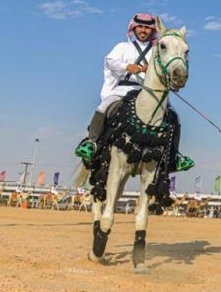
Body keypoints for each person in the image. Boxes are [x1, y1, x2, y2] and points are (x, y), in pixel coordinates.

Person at [74, 12, 193, 172]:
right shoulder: (122, 47)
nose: (143, 30)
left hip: (149, 91)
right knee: (104, 106)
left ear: (152, 30)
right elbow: (110, 61)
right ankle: (92, 142)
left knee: (174, 115)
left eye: (147, 28)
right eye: (140, 27)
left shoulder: (158, 49)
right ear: (134, 28)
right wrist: (127, 66)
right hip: (124, 88)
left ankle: (173, 156)